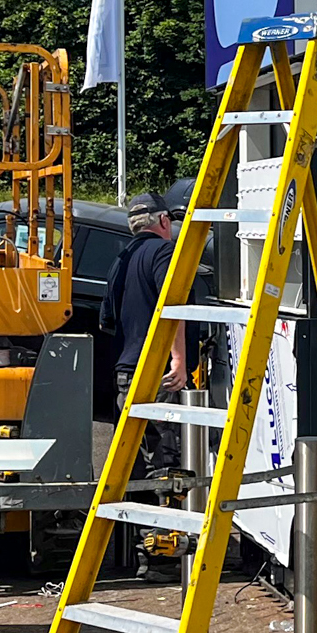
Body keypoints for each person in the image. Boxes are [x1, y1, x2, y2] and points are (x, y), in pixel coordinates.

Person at [99, 193, 189, 474]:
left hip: (126, 374)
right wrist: (179, 359)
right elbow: (171, 304)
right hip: (156, 371)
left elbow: (107, 321)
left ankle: (133, 517)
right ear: (163, 220)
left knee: (133, 464)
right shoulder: (164, 252)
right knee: (163, 465)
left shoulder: (120, 261)